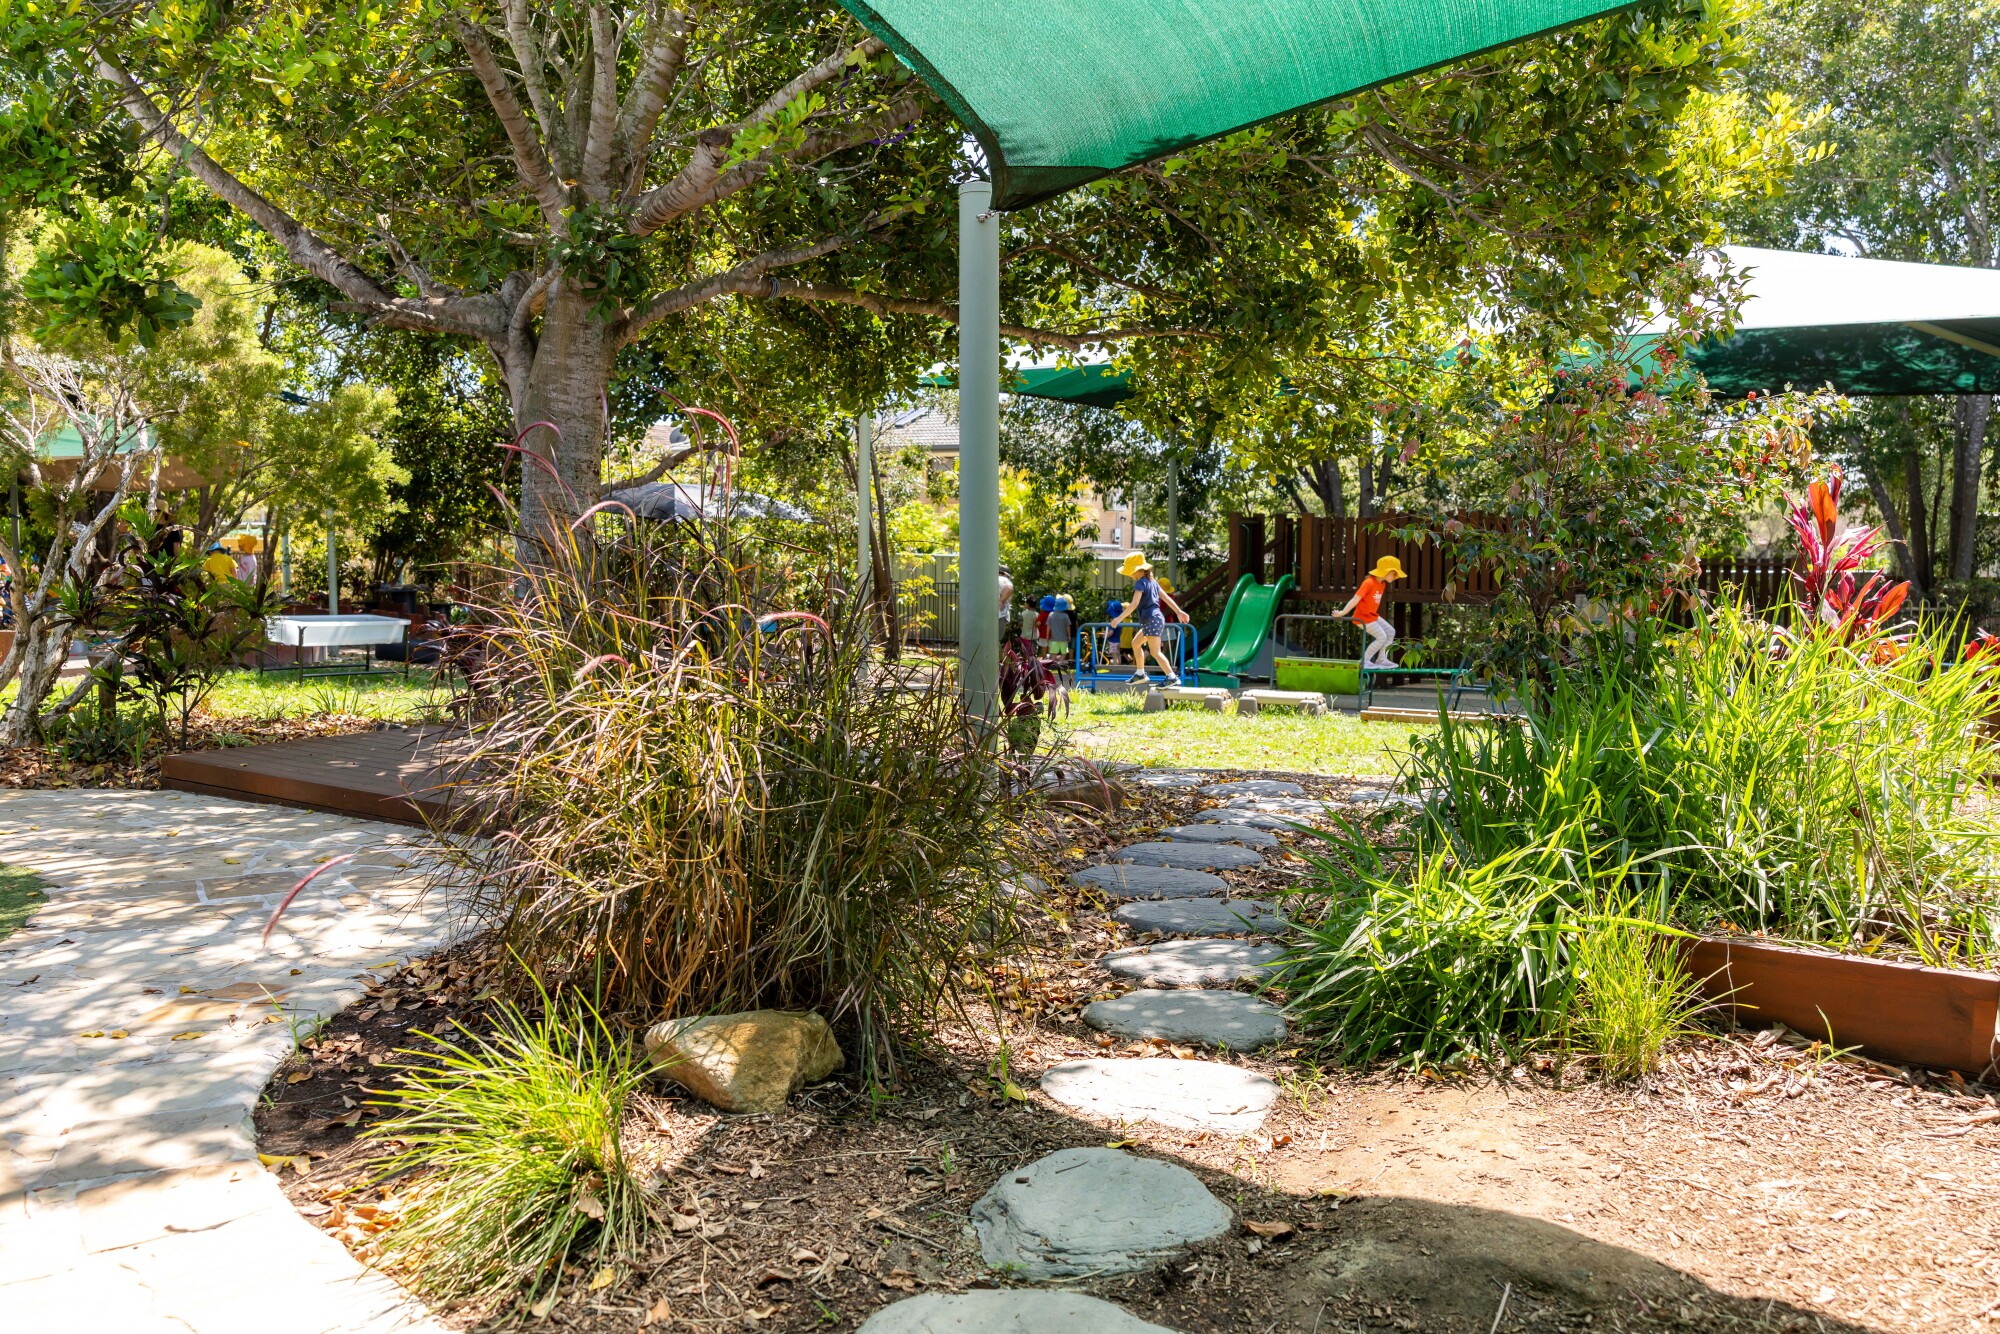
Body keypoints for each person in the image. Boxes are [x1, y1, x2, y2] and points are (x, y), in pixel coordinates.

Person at [1107, 552, 1187, 685]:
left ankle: (1171, 677)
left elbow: (1134, 604)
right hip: (1154, 619)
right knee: (1135, 643)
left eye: (1131, 572)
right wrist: (1178, 611)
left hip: (1151, 619)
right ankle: (1140, 673)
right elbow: (1166, 597)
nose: (1131, 575)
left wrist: (1118, 618)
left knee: (1155, 652)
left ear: (1138, 570)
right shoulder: (1153, 582)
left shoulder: (1140, 583)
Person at [1334, 555, 1405, 670]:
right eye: (1394, 573)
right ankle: (1365, 661)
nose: (1396, 577)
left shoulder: (1382, 584)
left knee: (1391, 632)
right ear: (1386, 571)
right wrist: (1342, 612)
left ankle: (1381, 659)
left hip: (1372, 616)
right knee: (1381, 637)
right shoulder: (1369, 582)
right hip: (1362, 617)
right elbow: (1356, 599)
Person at [1047, 594, 1073, 663]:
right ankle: (1061, 662)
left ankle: (1053, 663)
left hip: (1054, 638)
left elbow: (1048, 626)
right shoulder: (1065, 615)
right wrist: (1069, 636)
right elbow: (1068, 627)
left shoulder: (1051, 615)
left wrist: (1047, 636)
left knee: (1053, 652)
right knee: (1064, 653)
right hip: (1063, 638)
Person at [997, 565, 1015, 648]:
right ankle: (994, 659)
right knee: (996, 640)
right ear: (1005, 574)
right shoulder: (1003, 579)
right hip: (1000, 615)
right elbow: (1009, 587)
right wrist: (1002, 600)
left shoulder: (991, 579)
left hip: (988, 614)